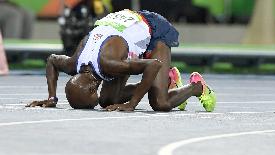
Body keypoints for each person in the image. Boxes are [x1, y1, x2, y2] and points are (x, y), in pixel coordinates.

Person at [26, 9, 216, 112]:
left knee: (160, 103)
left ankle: (196, 87)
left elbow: (153, 65)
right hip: (124, 34)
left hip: (153, 31)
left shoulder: (110, 64)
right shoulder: (73, 63)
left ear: (92, 88)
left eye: (91, 101)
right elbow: (52, 60)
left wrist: (131, 104)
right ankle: (167, 81)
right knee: (108, 101)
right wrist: (52, 98)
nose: (95, 102)